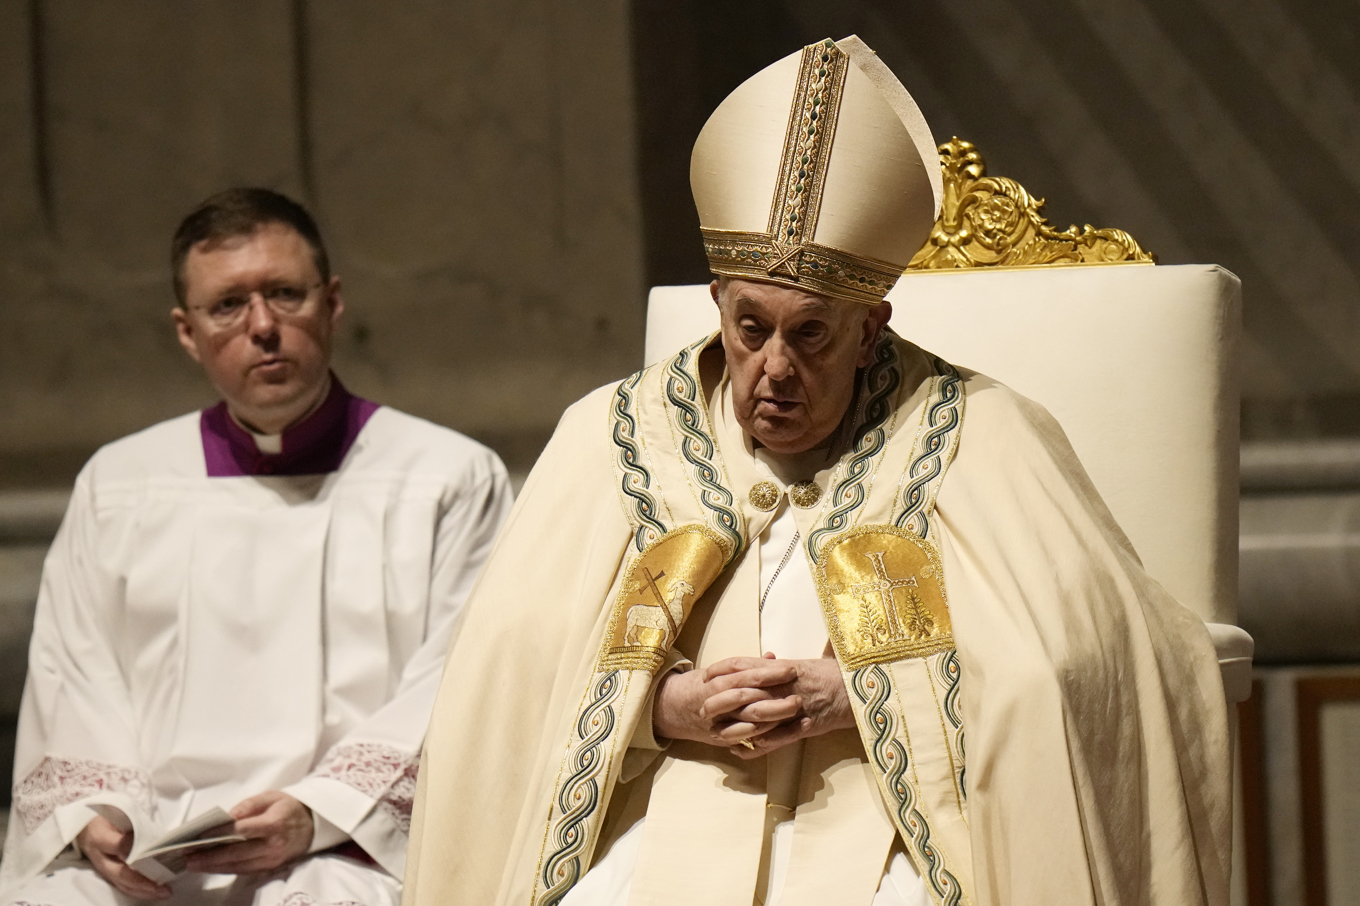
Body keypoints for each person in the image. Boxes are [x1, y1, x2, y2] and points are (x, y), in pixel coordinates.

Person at [404, 36, 1234, 906]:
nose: (774, 369)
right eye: (750, 328)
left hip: (900, 817)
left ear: (871, 328)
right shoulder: (614, 437)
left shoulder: (979, 432)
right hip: (665, 799)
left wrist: (870, 689)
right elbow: (504, 677)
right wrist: (658, 705)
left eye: (811, 335)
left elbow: (1106, 660)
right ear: (717, 306)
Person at [0, 189, 512, 906]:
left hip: (345, 847)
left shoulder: (446, 478)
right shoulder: (119, 486)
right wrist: (97, 818)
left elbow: (461, 684)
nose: (263, 326)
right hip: (155, 847)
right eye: (228, 306)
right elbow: (74, 676)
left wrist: (319, 812)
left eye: (285, 294)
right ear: (186, 331)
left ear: (332, 303)